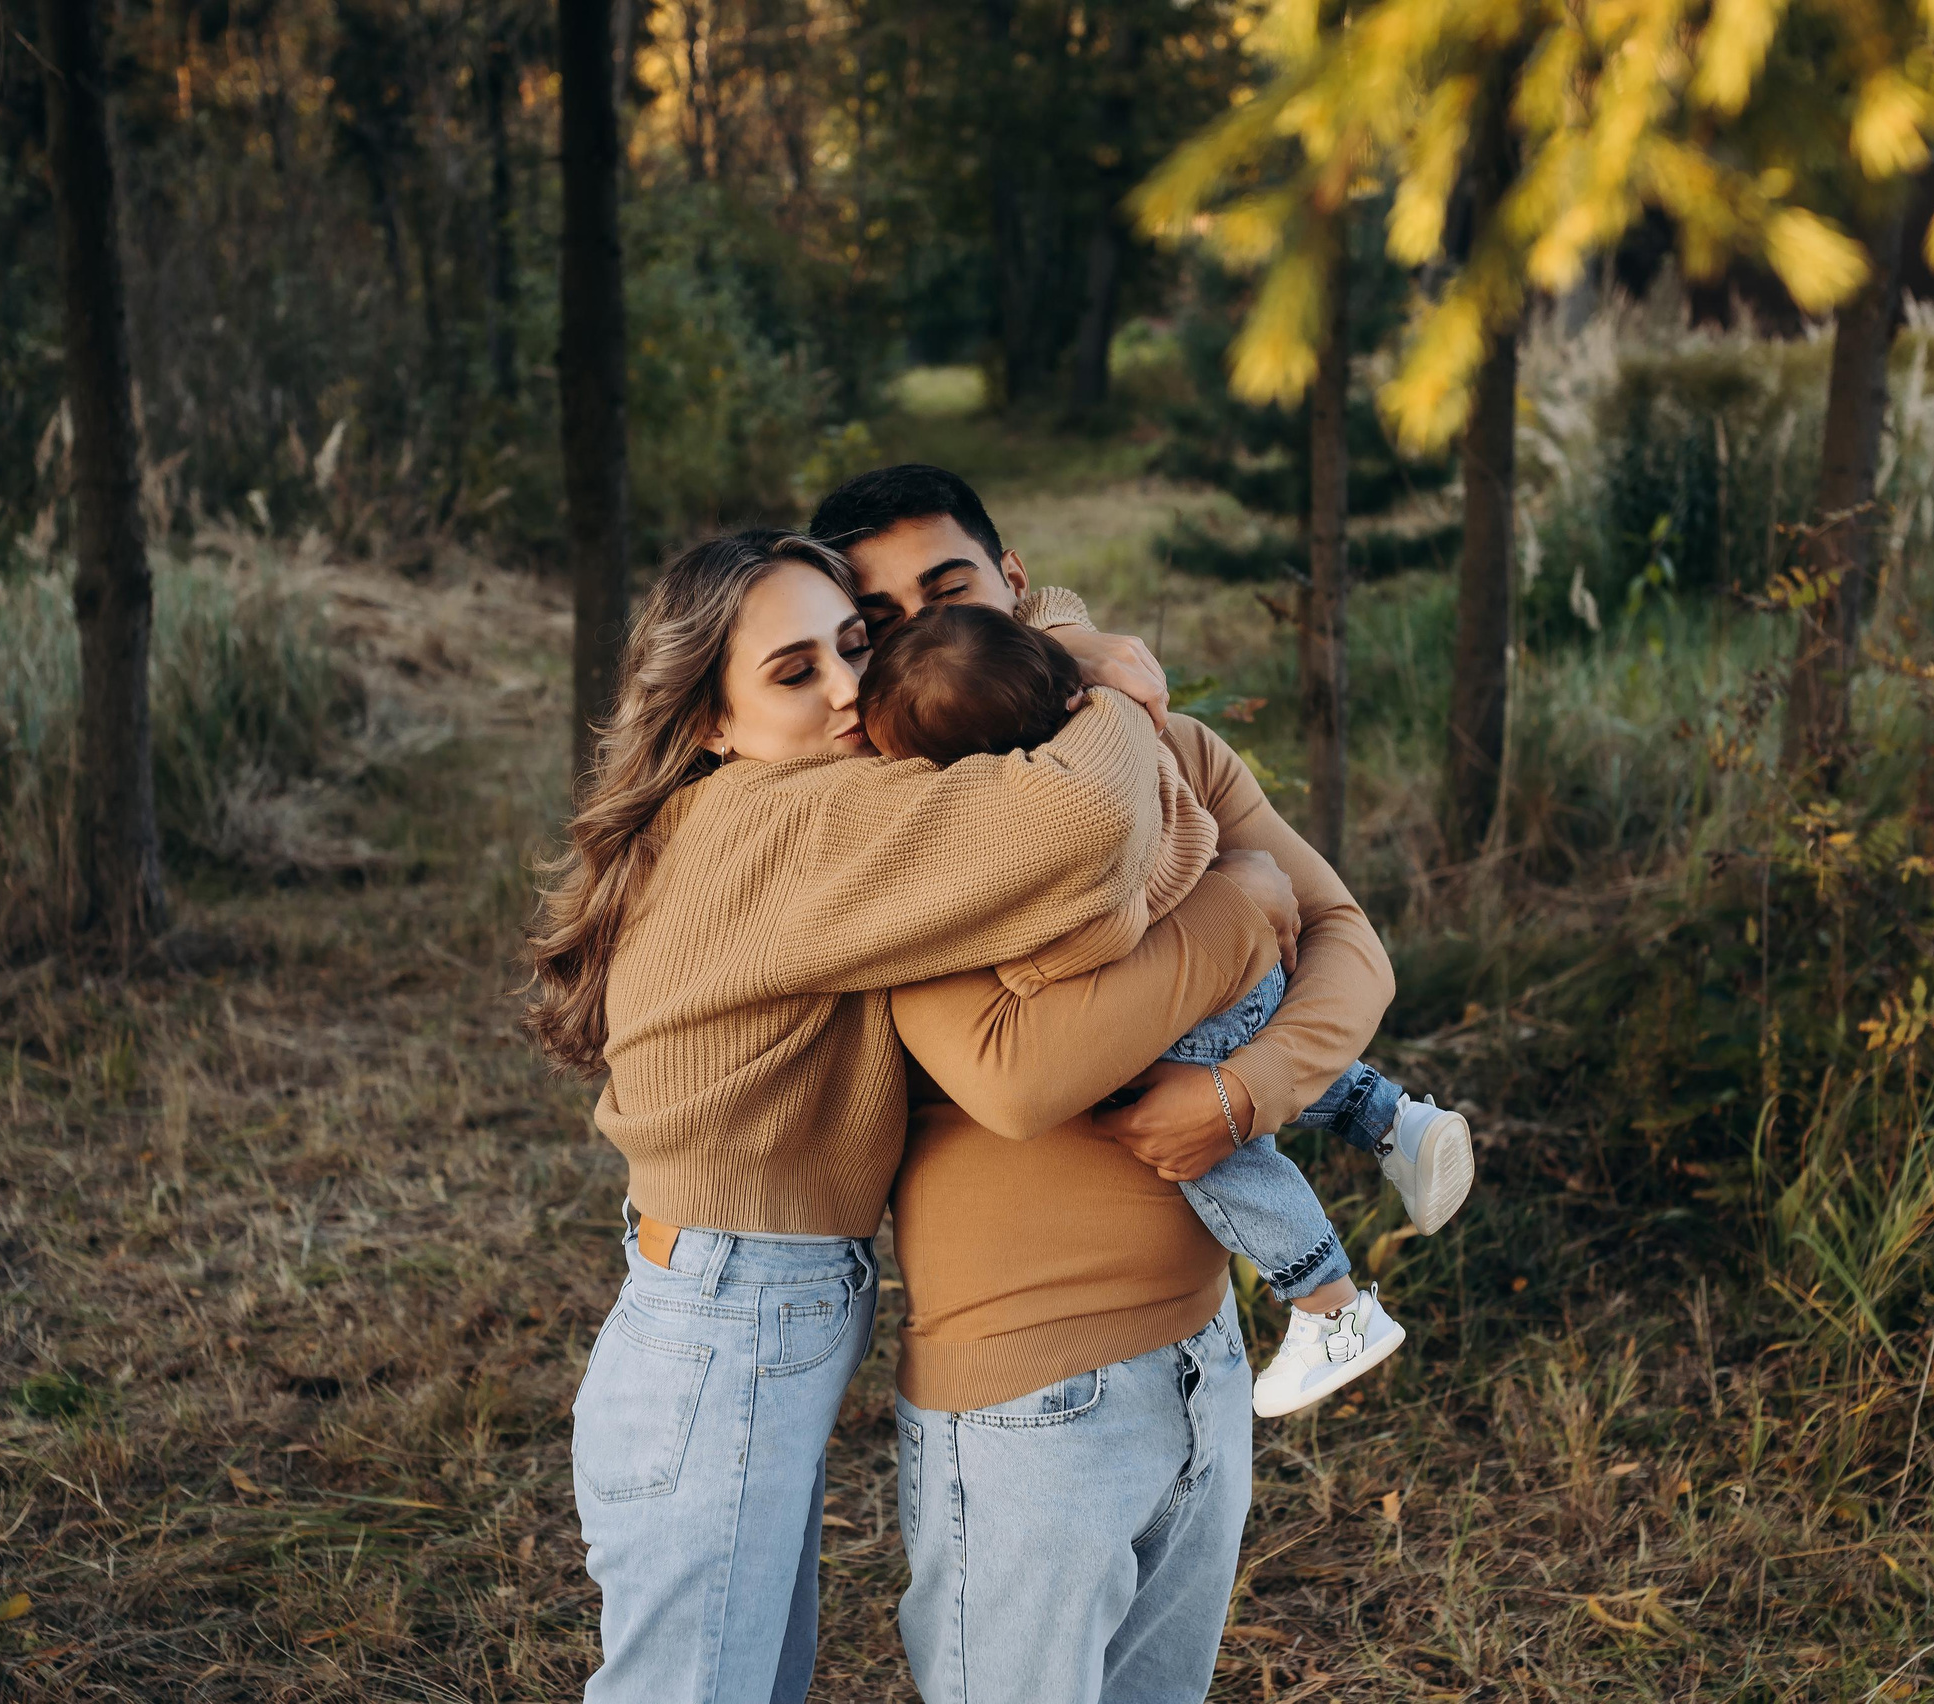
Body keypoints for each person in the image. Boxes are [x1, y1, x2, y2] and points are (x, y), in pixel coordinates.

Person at [521, 530, 1296, 1704]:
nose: (846, 696)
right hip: (726, 1315)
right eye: (793, 674)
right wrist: (1097, 684)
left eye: (852, 649)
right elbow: (1078, 824)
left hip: (732, 1301)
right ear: (711, 724)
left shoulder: (769, 806)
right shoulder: (785, 820)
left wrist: (1057, 637)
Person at [806, 464, 1406, 1703]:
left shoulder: (1168, 746)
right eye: (883, 616)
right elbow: (1017, 1081)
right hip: (1030, 1396)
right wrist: (1241, 911)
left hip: (1205, 1357)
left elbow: (1349, 943)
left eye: (948, 585)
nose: (924, 626)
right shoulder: (901, 828)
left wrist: (1243, 1096)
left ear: (1012, 586)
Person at [858, 601, 1476, 1416]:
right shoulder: (1130, 744)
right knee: (1240, 1034)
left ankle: (1331, 1308)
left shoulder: (1041, 838)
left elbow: (1090, 953)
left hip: (1192, 1008)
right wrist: (1072, 642)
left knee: (1214, 1152)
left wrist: (1035, 969)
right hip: (1252, 977)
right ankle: (1396, 1119)